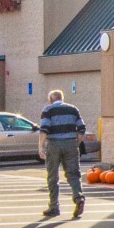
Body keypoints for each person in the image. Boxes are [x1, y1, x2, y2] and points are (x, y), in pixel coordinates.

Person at [38, 88, 87, 219]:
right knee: (73, 173)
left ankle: (54, 206)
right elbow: (82, 128)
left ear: (51, 100)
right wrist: (76, 142)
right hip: (71, 143)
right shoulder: (73, 109)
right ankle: (78, 197)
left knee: (53, 175)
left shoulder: (48, 110)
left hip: (54, 144)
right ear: (62, 98)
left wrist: (41, 147)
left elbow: (44, 129)